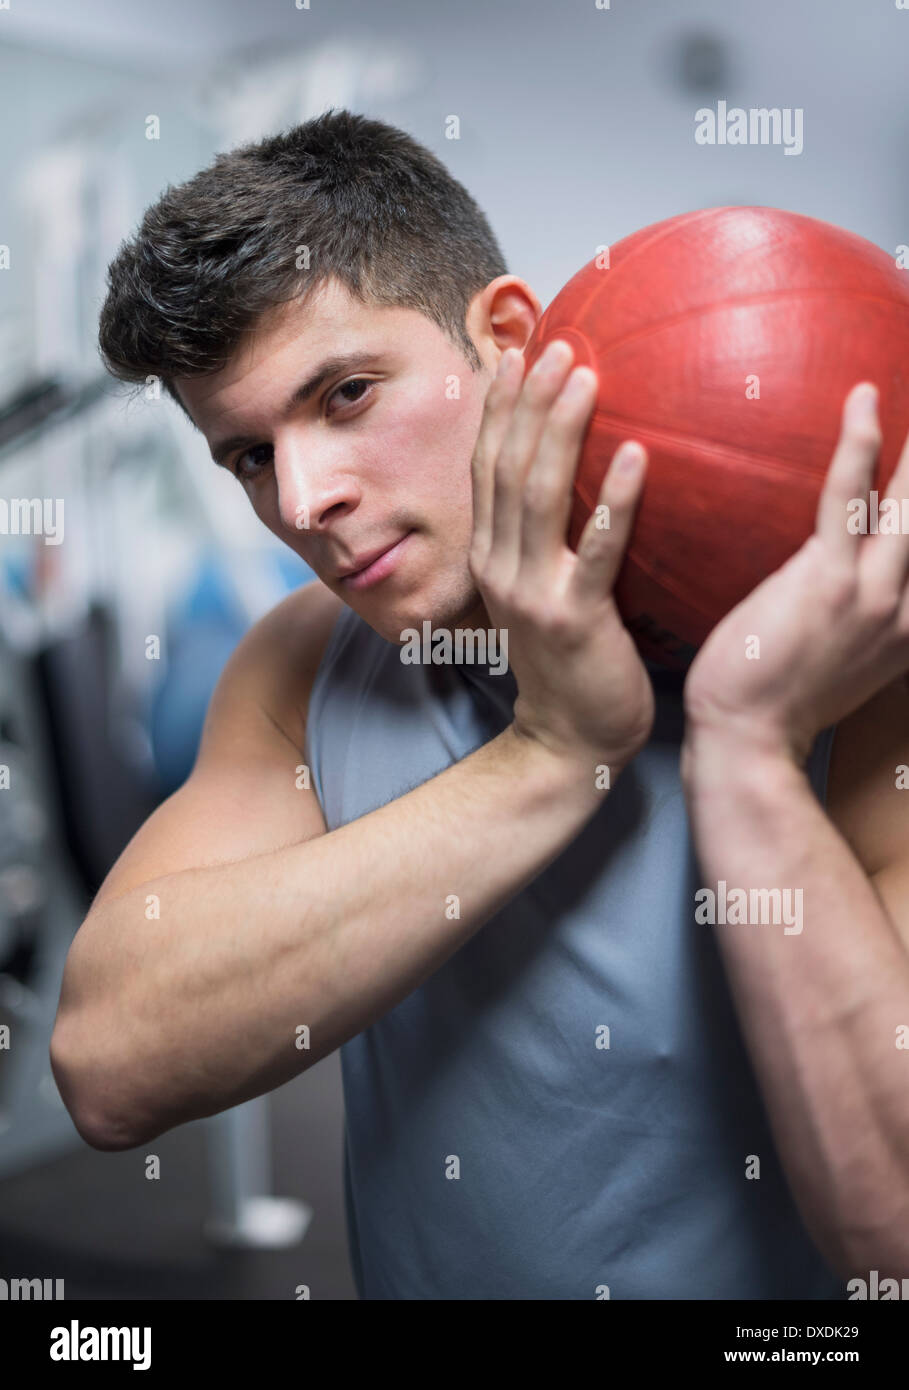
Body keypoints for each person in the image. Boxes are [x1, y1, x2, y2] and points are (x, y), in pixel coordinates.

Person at [50, 109, 909, 1300]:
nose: (304, 499)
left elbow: (897, 1227)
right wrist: (552, 751)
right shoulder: (303, 662)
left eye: (347, 393)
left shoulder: (856, 657)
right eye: (248, 454)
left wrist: (755, 753)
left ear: (505, 338)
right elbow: (108, 1063)